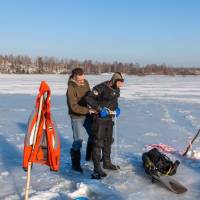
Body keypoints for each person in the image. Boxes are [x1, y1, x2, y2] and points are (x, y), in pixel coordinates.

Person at [85, 72, 124, 179]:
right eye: (119, 82)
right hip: (99, 119)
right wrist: (99, 109)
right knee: (98, 142)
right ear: (114, 81)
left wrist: (116, 109)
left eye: (122, 83)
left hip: (109, 119)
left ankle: (107, 163)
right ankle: (97, 168)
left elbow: (114, 101)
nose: (121, 85)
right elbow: (88, 98)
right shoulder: (101, 88)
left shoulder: (116, 89)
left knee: (108, 141)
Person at [66, 68, 94, 172]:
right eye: (80, 80)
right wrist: (88, 110)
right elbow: (73, 107)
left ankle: (90, 156)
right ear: (74, 77)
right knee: (78, 141)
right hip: (76, 117)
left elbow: (90, 96)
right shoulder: (70, 88)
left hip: (87, 115)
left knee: (94, 134)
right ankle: (75, 165)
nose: (83, 82)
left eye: (83, 79)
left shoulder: (85, 82)